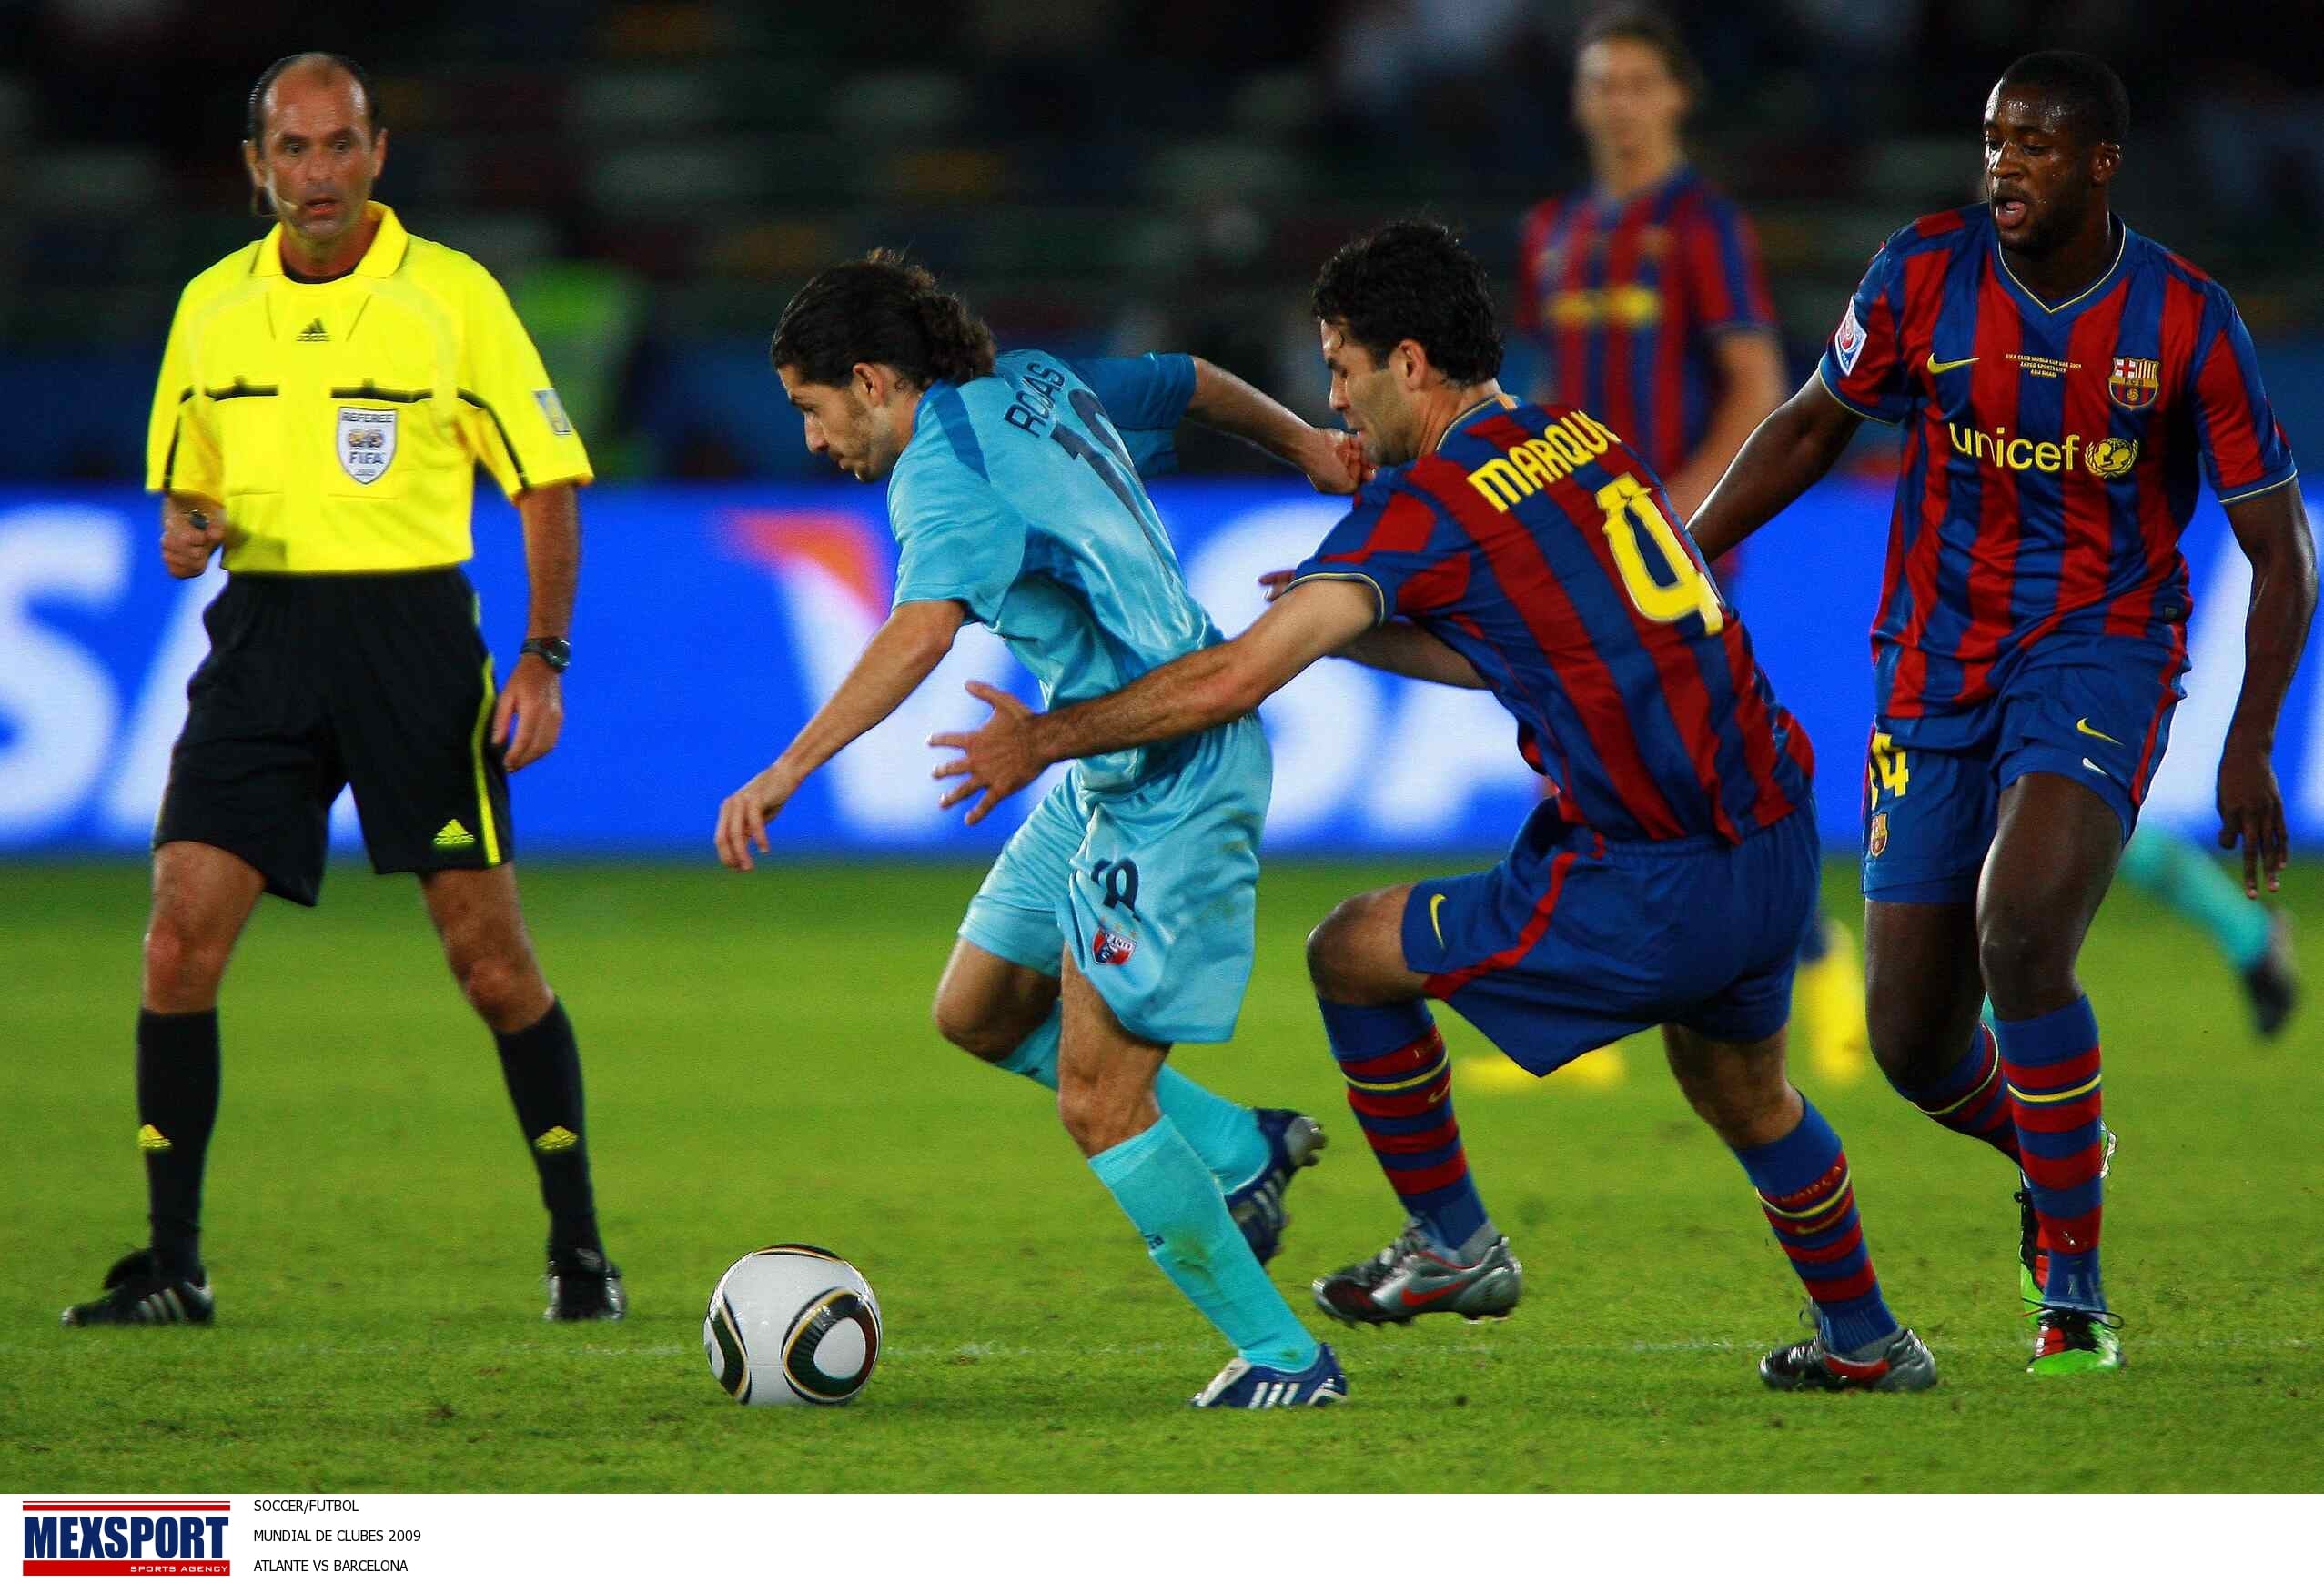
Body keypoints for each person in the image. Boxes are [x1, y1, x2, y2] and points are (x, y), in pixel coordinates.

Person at [934, 220, 1936, 1394]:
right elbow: (1521, 647)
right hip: (1769, 835)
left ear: (1408, 363)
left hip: (1654, 871)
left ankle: (1453, 1244)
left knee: (1351, 952)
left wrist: (1041, 737)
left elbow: (1231, 681)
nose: (1335, 398)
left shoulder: (1428, 506)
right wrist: (1361, 640)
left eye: (1342, 368)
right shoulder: (1579, 438)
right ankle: (1866, 1339)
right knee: (1742, 1090)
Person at [1685, 51, 2316, 1376]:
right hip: (1929, 663)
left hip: (2100, 651)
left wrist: (2252, 735)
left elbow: (2278, 550)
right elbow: (1808, 426)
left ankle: (2072, 1291)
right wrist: (1681, 554)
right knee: (1914, 1040)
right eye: (1990, 140)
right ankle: (2060, 1143)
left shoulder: (2184, 321)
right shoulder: (1919, 274)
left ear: (2099, 163)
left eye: (2033, 143)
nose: (2002, 165)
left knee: (2020, 929)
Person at [716, 252, 1364, 1407]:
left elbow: (918, 632)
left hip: (1167, 769)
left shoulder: (937, 472)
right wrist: (1308, 445)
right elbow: (1191, 382)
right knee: (974, 1009)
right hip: (1100, 762)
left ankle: (1286, 1361)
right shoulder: (1034, 380)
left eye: (814, 412)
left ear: (869, 382)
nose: (817, 444)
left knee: (1098, 1099)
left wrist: (787, 770)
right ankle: (1236, 1149)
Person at [66, 53, 621, 1327]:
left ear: (379, 155)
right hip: (262, 638)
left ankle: (579, 1247)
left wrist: (543, 656)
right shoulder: (212, 307)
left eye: (339, 146)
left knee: (489, 963)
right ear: (257, 166)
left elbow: (544, 482)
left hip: (412, 638)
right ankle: (171, 1265)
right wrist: (188, 528)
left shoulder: (451, 297)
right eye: (293, 150)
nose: (317, 173)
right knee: (176, 938)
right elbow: (188, 488)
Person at [1518, 6, 1866, 1080]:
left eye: (1636, 82)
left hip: (1675, 538)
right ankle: (1607, 992)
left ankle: (1800, 964)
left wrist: (1679, 513)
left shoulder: (1702, 225)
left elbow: (1758, 385)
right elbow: (1549, 391)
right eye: (1600, 83)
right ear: (1578, 101)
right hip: (1576, 540)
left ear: (1675, 98)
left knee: (1658, 764)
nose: (1617, 101)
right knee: (1606, 754)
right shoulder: (1555, 232)